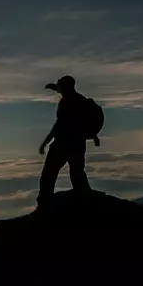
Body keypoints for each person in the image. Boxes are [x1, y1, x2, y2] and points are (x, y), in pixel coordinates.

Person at [37, 74, 95, 205]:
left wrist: (45, 143)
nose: (58, 87)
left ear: (66, 86)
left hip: (62, 144)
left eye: (60, 84)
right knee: (77, 172)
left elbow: (59, 125)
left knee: (49, 173)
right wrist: (53, 87)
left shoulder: (67, 102)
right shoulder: (80, 99)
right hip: (78, 144)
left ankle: (45, 202)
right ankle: (86, 198)